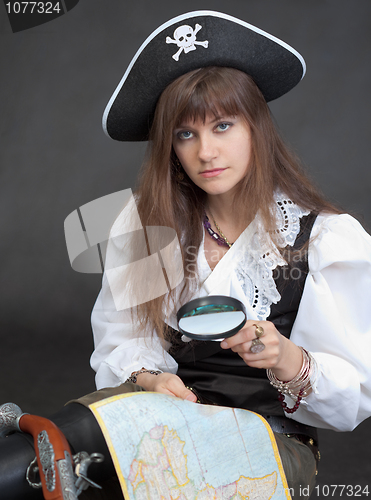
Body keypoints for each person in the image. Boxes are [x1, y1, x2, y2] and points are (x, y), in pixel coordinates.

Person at [1, 10, 371, 500]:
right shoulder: (147, 223)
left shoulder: (326, 238)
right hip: (162, 416)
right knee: (38, 462)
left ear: (256, 127)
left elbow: (353, 396)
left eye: (222, 125)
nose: (206, 152)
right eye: (185, 133)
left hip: (270, 440)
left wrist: (285, 355)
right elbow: (123, 338)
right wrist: (152, 380)